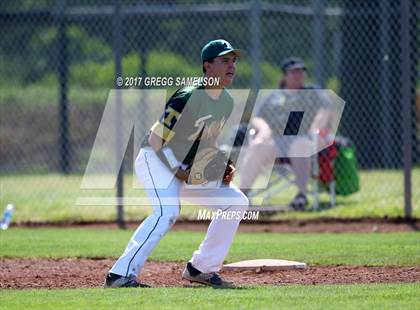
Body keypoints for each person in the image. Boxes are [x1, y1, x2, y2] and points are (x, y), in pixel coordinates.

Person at [104, 39, 249, 288]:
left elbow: (204, 143)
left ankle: (201, 268)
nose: (231, 65)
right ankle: (119, 275)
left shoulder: (226, 101)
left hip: (183, 167)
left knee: (235, 202)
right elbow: (156, 139)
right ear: (207, 66)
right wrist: (178, 170)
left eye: (233, 60)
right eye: (224, 60)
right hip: (156, 159)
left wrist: (222, 166)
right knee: (167, 212)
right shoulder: (188, 96)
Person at [239, 57, 331, 210]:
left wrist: (315, 128)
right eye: (294, 72)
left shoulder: (313, 92)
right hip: (277, 141)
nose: (298, 75)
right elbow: (257, 118)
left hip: (305, 139)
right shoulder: (273, 96)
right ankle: (242, 197)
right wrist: (264, 130)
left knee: (299, 145)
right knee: (258, 145)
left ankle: (301, 195)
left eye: (301, 71)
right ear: (285, 75)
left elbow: (325, 110)